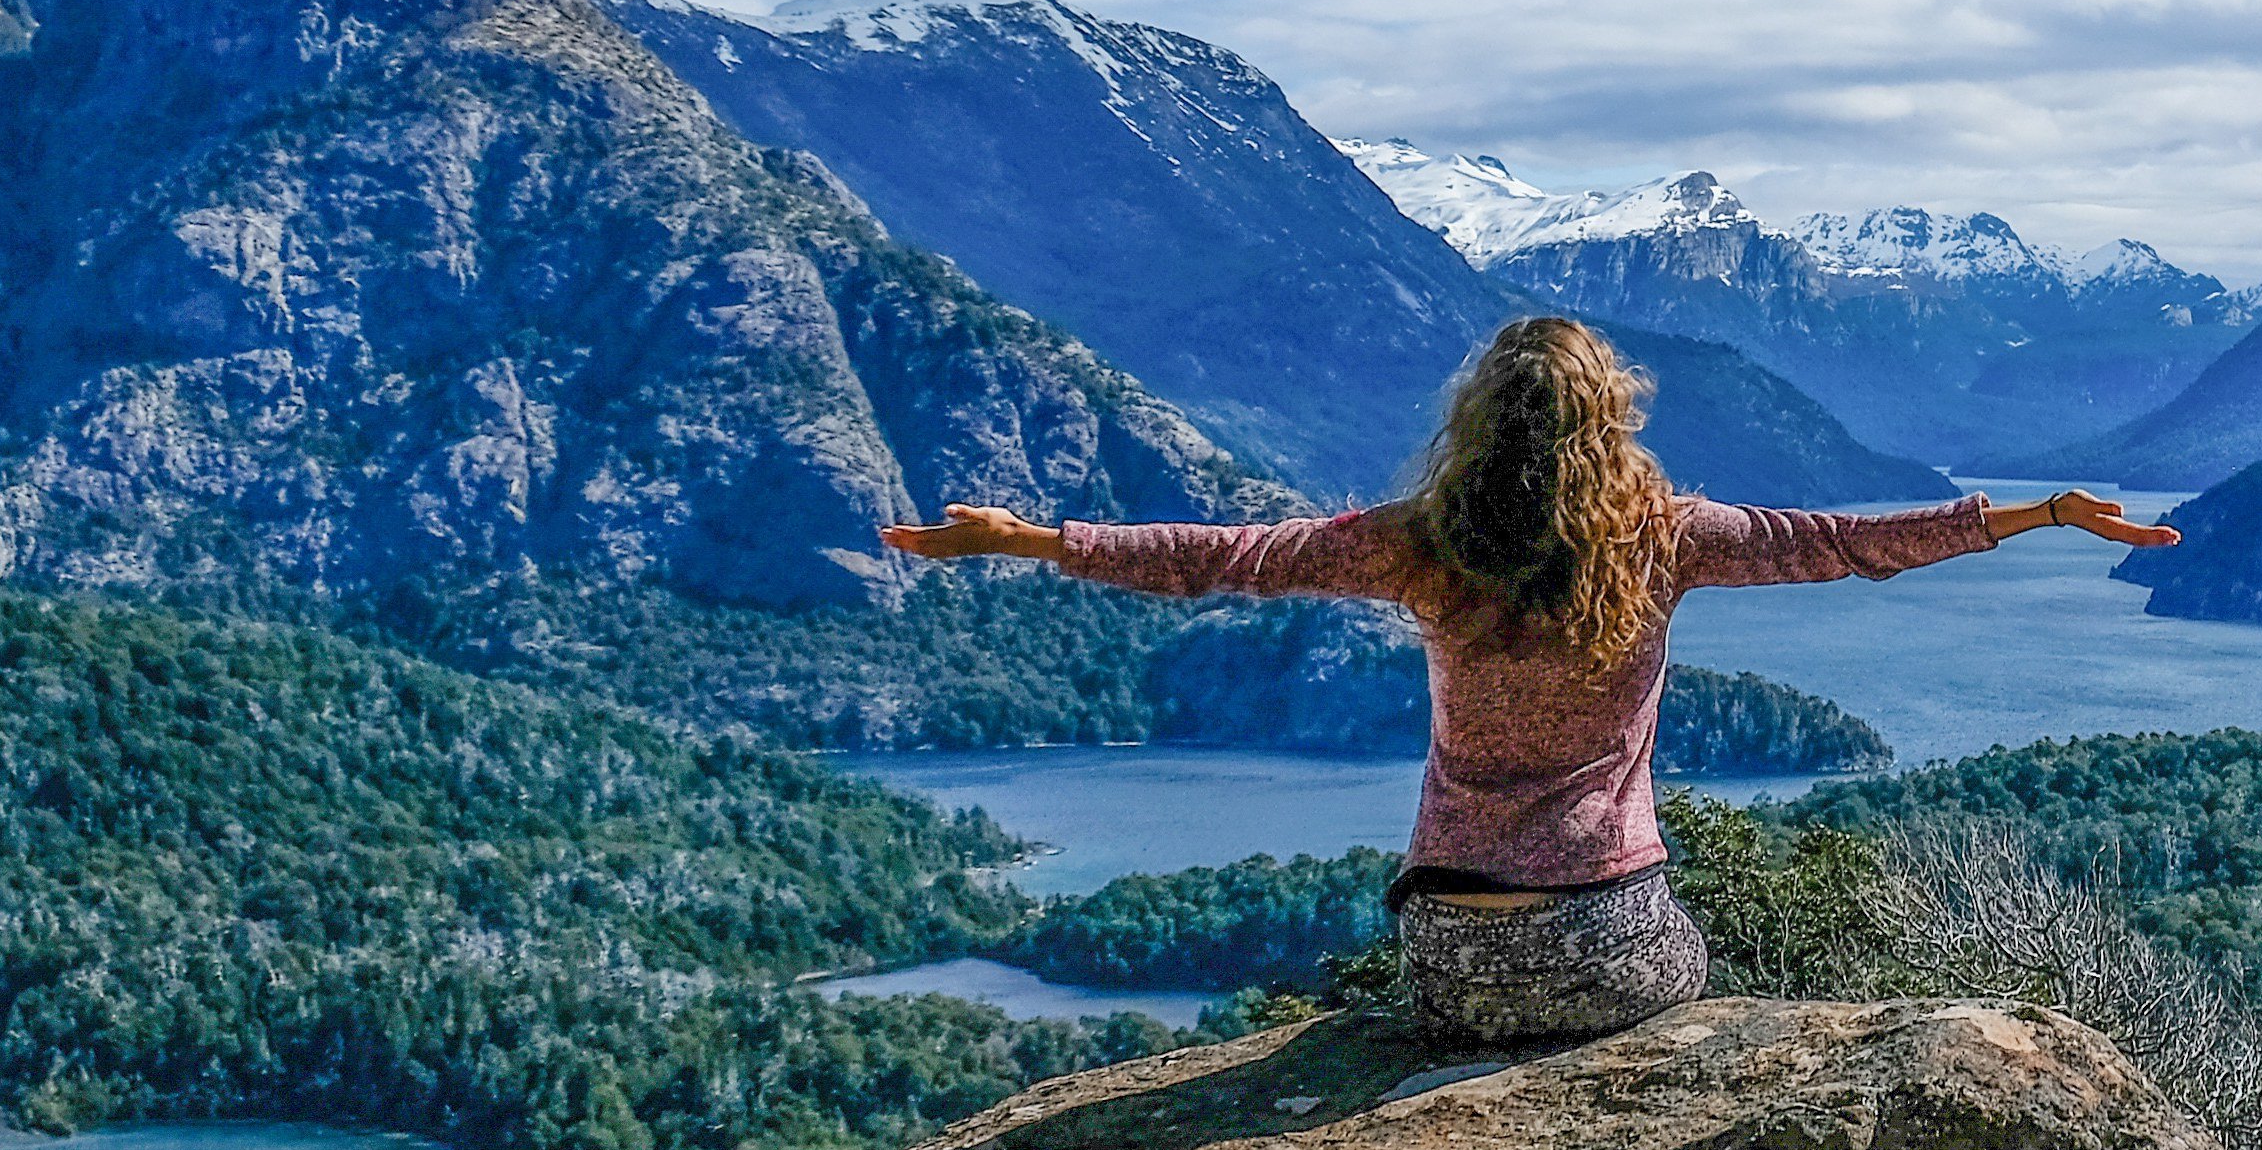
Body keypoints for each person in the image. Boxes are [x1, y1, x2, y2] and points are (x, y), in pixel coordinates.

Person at [878, 315, 2174, 1045]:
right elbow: (1847, 543)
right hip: (1615, 948)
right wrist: (2034, 515)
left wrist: (1038, 541)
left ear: (1477, 426)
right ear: (1614, 424)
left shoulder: (1419, 542)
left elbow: (1225, 559)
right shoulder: (1666, 537)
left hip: (1448, 953)